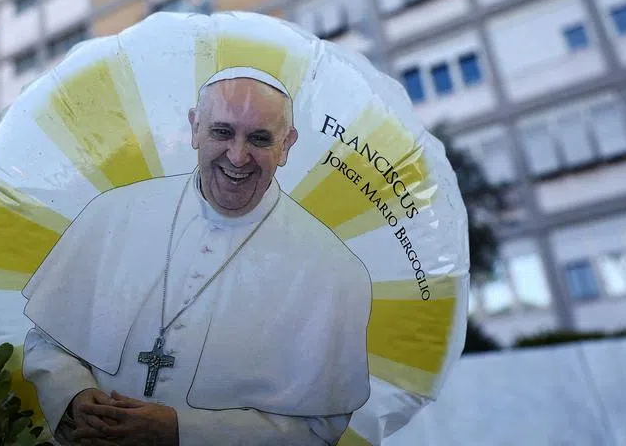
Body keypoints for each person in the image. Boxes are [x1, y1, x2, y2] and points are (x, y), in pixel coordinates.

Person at [21, 67, 372, 445]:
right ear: (194, 128)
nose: (238, 157)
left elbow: (319, 427)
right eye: (222, 132)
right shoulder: (113, 214)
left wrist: (180, 433)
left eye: (259, 139)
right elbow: (48, 340)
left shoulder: (333, 271)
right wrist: (73, 397)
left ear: (286, 145)